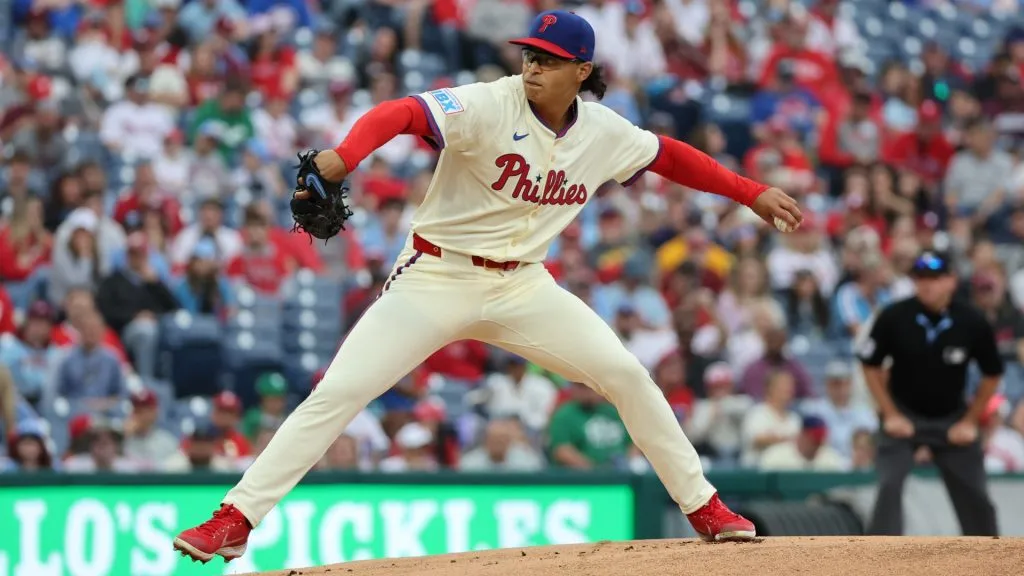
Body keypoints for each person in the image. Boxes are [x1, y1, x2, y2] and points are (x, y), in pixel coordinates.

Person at [174, 10, 803, 561]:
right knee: (337, 394)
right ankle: (237, 518)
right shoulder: (487, 103)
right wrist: (345, 155)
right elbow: (403, 111)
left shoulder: (604, 132)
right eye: (530, 55)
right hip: (436, 274)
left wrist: (749, 192)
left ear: (582, 70)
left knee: (628, 375)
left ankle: (704, 507)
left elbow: (667, 154)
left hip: (523, 287)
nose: (533, 67)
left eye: (550, 60)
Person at [859, 250, 1001, 536]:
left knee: (978, 498)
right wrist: (890, 413)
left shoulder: (971, 320)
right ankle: (877, 559)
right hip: (904, 415)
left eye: (935, 278)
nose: (927, 284)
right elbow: (869, 364)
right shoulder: (895, 315)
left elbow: (992, 373)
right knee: (888, 486)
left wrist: (970, 421)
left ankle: (990, 559)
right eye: (921, 278)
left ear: (951, 280)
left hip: (952, 417)